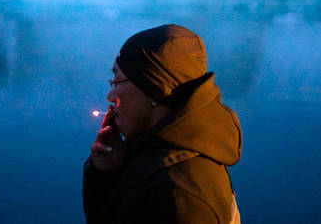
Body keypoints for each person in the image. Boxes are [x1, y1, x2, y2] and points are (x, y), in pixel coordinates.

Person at [83, 24, 242, 224]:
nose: (110, 96)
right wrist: (107, 176)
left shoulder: (179, 195)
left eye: (117, 81)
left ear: (155, 89)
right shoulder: (158, 159)